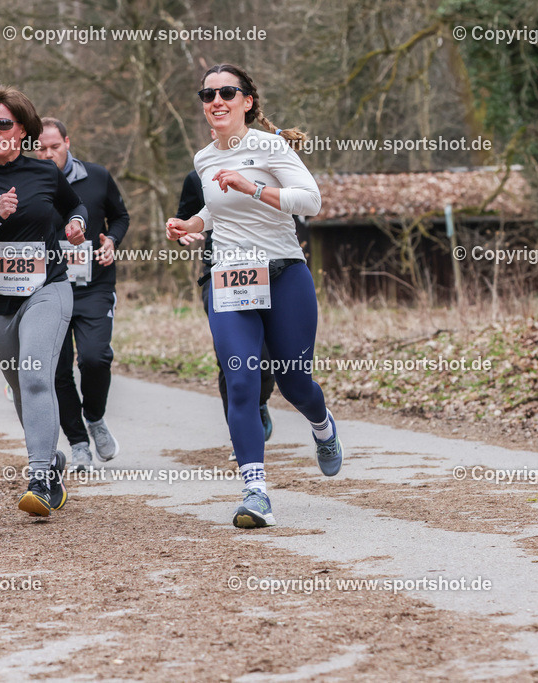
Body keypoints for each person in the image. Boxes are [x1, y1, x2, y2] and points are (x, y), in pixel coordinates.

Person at [165, 64, 343, 529]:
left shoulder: (270, 146)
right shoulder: (204, 158)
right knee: (241, 382)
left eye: (227, 92)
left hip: (284, 275)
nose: (216, 100)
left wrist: (255, 187)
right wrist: (193, 226)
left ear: (247, 101)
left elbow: (310, 201)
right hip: (231, 278)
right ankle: (255, 491)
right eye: (208, 94)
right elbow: (215, 210)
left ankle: (322, 427)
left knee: (294, 381)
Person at [0, 84, 88, 518]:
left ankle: (39, 478)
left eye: (3, 123)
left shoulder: (44, 173)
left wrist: (77, 222)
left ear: (21, 128)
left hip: (48, 289)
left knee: (38, 376)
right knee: (22, 386)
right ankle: (52, 460)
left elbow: (74, 203)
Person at [36, 117, 129, 472]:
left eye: (54, 147)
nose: (47, 154)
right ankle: (78, 446)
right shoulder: (26, 183)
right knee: (57, 372)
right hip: (47, 288)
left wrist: (112, 240)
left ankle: (95, 417)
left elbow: (121, 217)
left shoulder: (98, 176)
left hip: (94, 286)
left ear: (67, 143)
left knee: (94, 357)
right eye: (40, 149)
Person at [176, 169, 274, 462]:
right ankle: (239, 434)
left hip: (266, 271)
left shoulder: (264, 169)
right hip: (219, 275)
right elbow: (184, 219)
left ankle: (258, 404)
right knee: (229, 358)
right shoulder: (197, 176)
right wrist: (184, 234)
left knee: (266, 357)